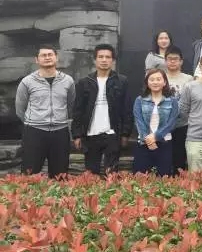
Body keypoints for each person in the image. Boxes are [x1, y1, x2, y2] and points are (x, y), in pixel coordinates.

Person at [15, 45, 75, 178]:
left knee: (60, 175)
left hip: (60, 132)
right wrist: (34, 122)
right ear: (37, 60)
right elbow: (20, 109)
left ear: (56, 58)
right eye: (43, 55)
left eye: (50, 54)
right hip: (34, 132)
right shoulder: (27, 82)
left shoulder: (68, 81)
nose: (47, 57)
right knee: (30, 174)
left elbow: (71, 105)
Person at [72, 44, 132, 175]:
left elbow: (127, 109)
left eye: (108, 57)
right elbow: (78, 111)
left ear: (113, 60)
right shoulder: (85, 82)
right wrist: (77, 135)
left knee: (111, 174)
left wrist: (125, 134)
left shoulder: (122, 81)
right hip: (90, 134)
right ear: (95, 60)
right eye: (101, 57)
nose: (104, 60)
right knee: (91, 174)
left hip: (112, 134)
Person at [132, 68, 177, 176]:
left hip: (164, 142)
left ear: (164, 82)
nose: (155, 82)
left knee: (164, 177)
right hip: (144, 143)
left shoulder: (172, 101)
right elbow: (138, 121)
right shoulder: (139, 100)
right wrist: (149, 140)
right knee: (140, 178)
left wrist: (156, 136)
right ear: (147, 83)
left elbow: (171, 123)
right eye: (152, 79)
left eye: (158, 79)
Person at [163, 45, 194, 174]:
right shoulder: (160, 77)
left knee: (180, 159)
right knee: (164, 159)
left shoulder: (189, 79)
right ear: (165, 61)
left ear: (181, 61)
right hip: (163, 125)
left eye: (175, 59)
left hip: (183, 124)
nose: (172, 61)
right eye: (169, 59)